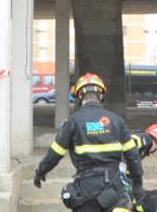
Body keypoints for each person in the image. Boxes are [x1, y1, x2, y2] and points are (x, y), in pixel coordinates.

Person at [33, 73, 145, 211]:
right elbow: (133, 156)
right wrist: (138, 185)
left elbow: (55, 153)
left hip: (86, 190)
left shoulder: (73, 122)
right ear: (101, 95)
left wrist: (41, 171)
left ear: (79, 96)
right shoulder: (117, 121)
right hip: (115, 190)